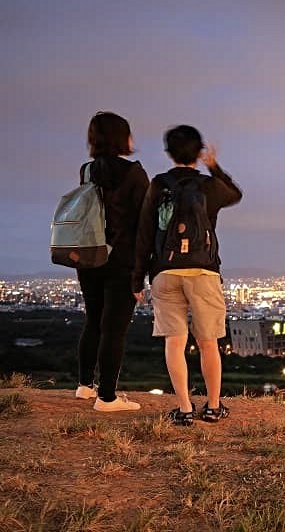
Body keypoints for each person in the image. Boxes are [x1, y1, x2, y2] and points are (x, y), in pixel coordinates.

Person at [132, 125, 242, 426]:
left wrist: (137, 278)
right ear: (198, 151)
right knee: (208, 342)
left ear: (168, 153)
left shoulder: (158, 185)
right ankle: (213, 406)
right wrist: (213, 165)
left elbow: (144, 234)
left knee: (174, 341)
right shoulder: (207, 186)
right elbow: (235, 194)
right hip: (203, 271)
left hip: (165, 272)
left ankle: (183, 409)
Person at [76, 111, 149, 412]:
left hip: (89, 256)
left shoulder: (87, 170)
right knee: (114, 328)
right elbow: (145, 224)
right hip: (120, 260)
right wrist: (141, 272)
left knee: (93, 320)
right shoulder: (134, 173)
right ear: (122, 137)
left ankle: (84, 386)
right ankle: (107, 397)